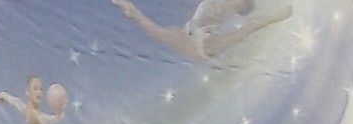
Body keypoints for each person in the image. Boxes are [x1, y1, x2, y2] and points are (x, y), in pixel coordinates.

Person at [111, 0, 292, 62]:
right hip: (199, 41)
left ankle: (276, 15)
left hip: (199, 38)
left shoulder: (202, 31)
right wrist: (133, 11)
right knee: (244, 29)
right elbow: (157, 31)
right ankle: (277, 15)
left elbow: (157, 31)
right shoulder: (203, 41)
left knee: (242, 28)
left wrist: (133, 11)